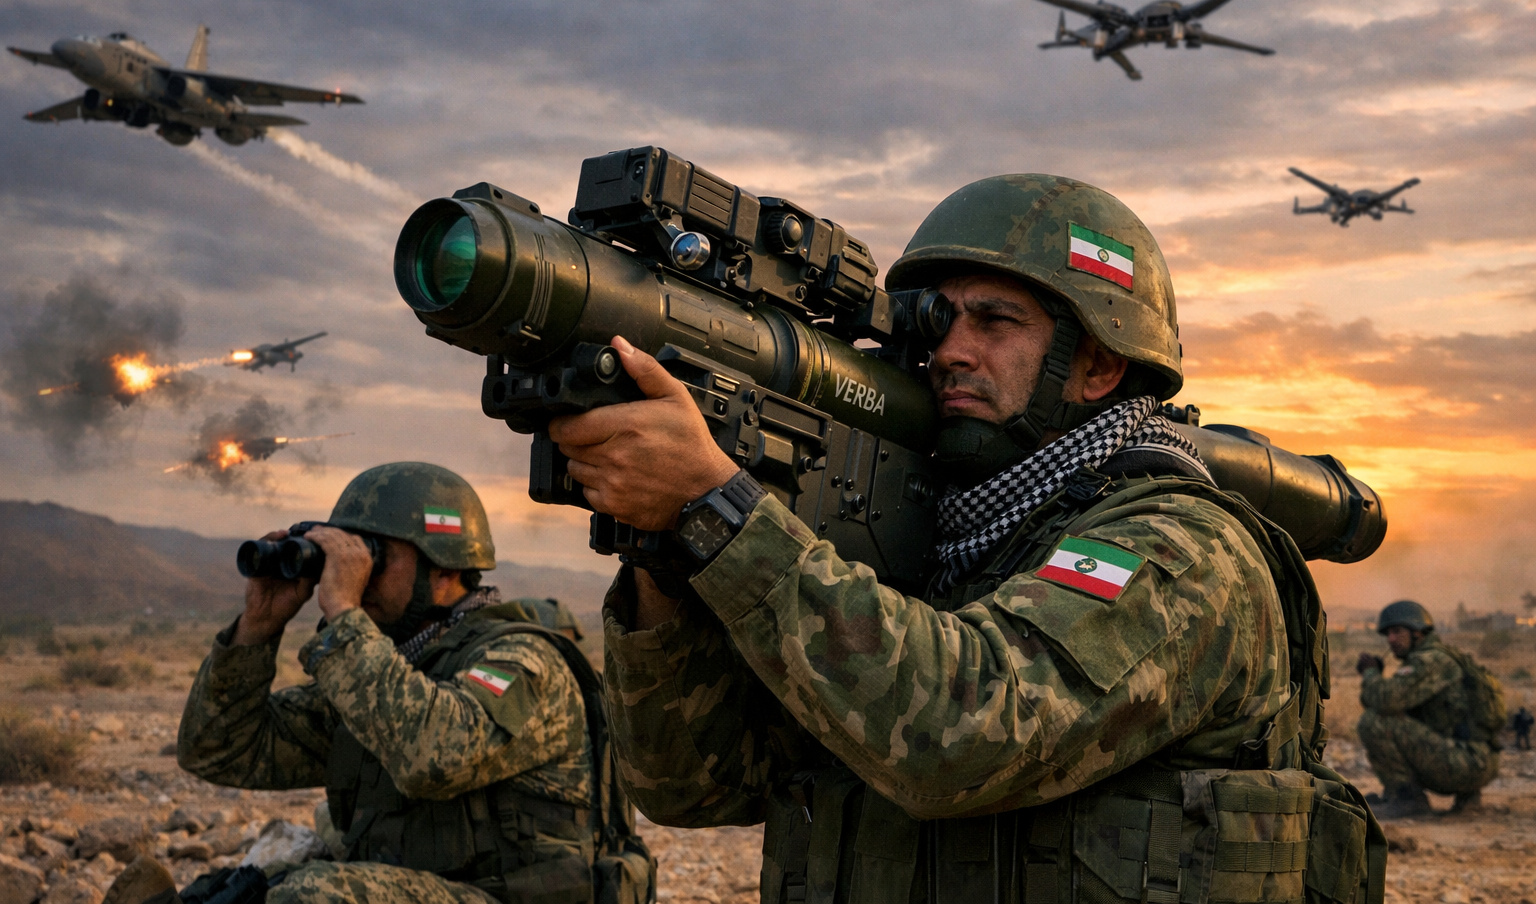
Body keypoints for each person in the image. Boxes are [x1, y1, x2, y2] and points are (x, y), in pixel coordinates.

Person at [553, 174, 1378, 903]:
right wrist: (667, 549)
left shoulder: (1181, 547)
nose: (950, 351)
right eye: (939, 322)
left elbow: (966, 732)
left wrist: (720, 512)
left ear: (1097, 365)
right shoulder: (930, 550)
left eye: (994, 321)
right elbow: (693, 787)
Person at [174, 462, 619, 904]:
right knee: (231, 894)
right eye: (345, 558)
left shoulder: (522, 660)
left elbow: (433, 757)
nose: (353, 574)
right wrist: (257, 627)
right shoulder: (388, 669)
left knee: (315, 895)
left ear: (443, 570)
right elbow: (218, 750)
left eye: (371, 557)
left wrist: (345, 618)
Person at [1357, 600, 1502, 818]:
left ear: (1418, 632)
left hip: (1466, 764)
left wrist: (1370, 674)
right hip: (1475, 760)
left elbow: (1385, 701)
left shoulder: (1428, 661)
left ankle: (1407, 800)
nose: (1391, 639)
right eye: (1388, 634)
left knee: (1372, 722)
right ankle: (1467, 798)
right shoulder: (1443, 655)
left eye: (1397, 631)